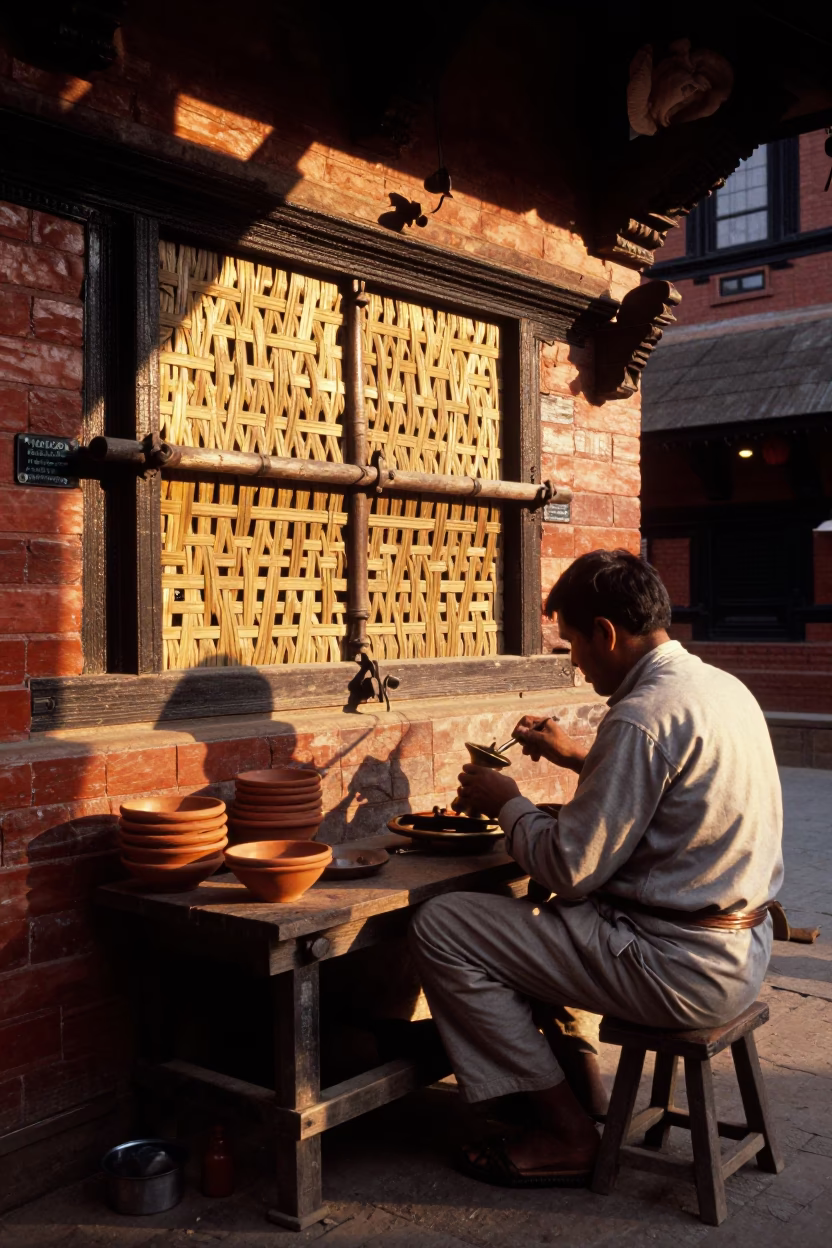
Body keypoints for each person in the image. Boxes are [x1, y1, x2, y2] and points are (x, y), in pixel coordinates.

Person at [409, 549, 783, 1189]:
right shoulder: (719, 687)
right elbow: (668, 791)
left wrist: (509, 803)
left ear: (607, 633)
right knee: (551, 920)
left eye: (574, 644)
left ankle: (565, 1132)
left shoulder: (639, 716)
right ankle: (583, 1085)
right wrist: (573, 755)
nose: (575, 663)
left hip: (679, 968)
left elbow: (568, 869)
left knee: (445, 924)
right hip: (741, 951)